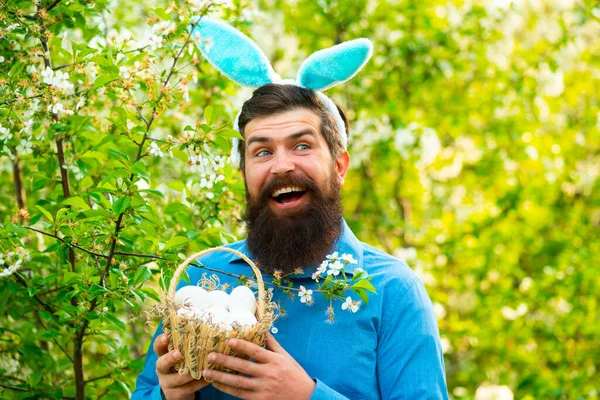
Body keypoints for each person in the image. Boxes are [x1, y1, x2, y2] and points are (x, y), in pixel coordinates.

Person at [132, 84, 449, 399]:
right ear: (244, 175)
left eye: (301, 146)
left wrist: (306, 396)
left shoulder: (392, 291)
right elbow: (146, 392)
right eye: (263, 152)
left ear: (339, 167)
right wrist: (168, 396)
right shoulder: (203, 279)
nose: (281, 165)